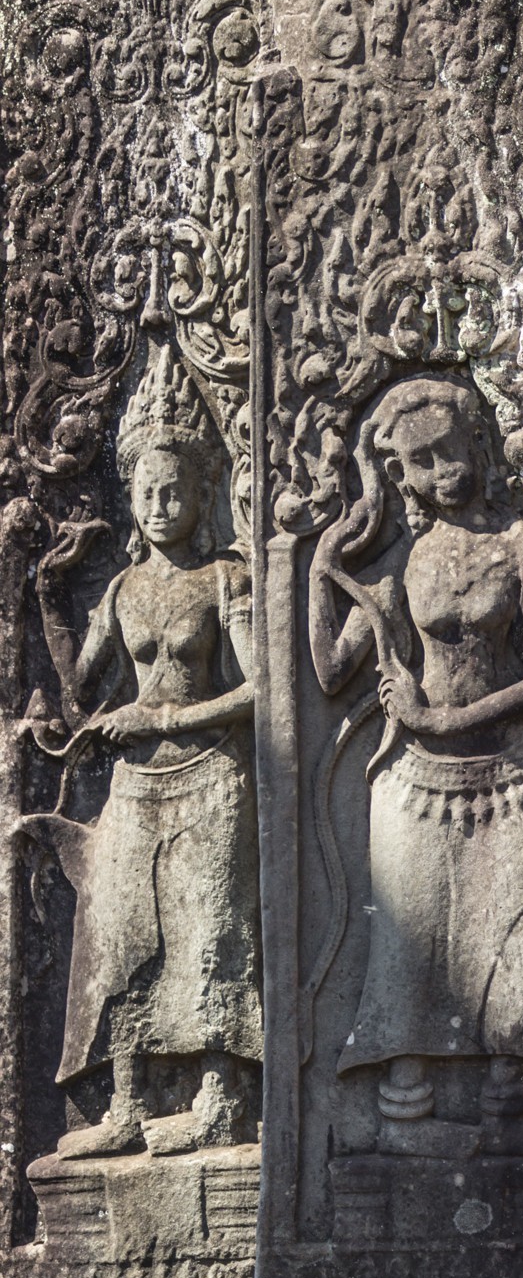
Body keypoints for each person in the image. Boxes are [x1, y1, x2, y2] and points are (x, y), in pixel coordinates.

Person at [308, 371, 523, 1153]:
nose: (444, 473)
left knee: (516, 946)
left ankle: (508, 1106)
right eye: (422, 463)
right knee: (406, 950)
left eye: (455, 452)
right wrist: (323, 565)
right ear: (398, 476)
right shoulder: (402, 565)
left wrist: (444, 716)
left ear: (481, 445)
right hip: (417, 785)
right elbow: (328, 672)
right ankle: (404, 1114)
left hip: (512, 778)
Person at [24, 339, 262, 1158]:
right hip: (134, 786)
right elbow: (78, 688)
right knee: (120, 933)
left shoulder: (226, 580)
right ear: (131, 499)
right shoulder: (124, 588)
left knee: (208, 933)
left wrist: (159, 720)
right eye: (146, 492)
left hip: (210, 774)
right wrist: (52, 591)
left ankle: (220, 1095)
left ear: (203, 493)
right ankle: (125, 1103)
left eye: (174, 490)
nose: (159, 504)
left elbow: (261, 690)